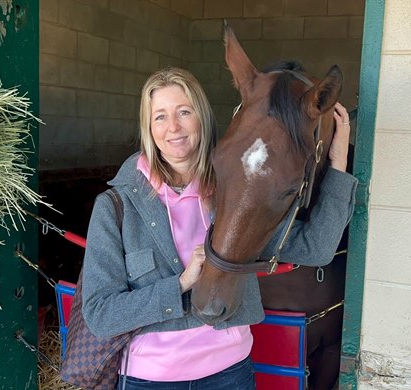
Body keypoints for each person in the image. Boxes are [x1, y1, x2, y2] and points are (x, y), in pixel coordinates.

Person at [82, 67, 357, 390]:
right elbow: (101, 314)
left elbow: (317, 248)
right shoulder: (116, 206)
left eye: (184, 112)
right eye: (160, 116)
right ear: (148, 126)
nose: (173, 127)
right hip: (150, 379)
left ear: (203, 118)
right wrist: (181, 284)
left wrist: (338, 163)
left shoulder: (235, 196)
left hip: (230, 372)